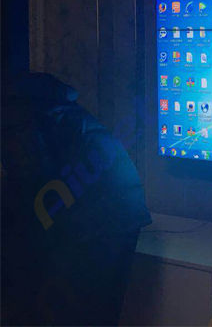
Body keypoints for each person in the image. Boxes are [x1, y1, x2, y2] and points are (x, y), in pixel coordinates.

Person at [1, 72, 151, 326]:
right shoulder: (40, 103)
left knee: (75, 310)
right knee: (97, 308)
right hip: (119, 206)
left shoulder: (14, 114)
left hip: (97, 216)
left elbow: (31, 177)